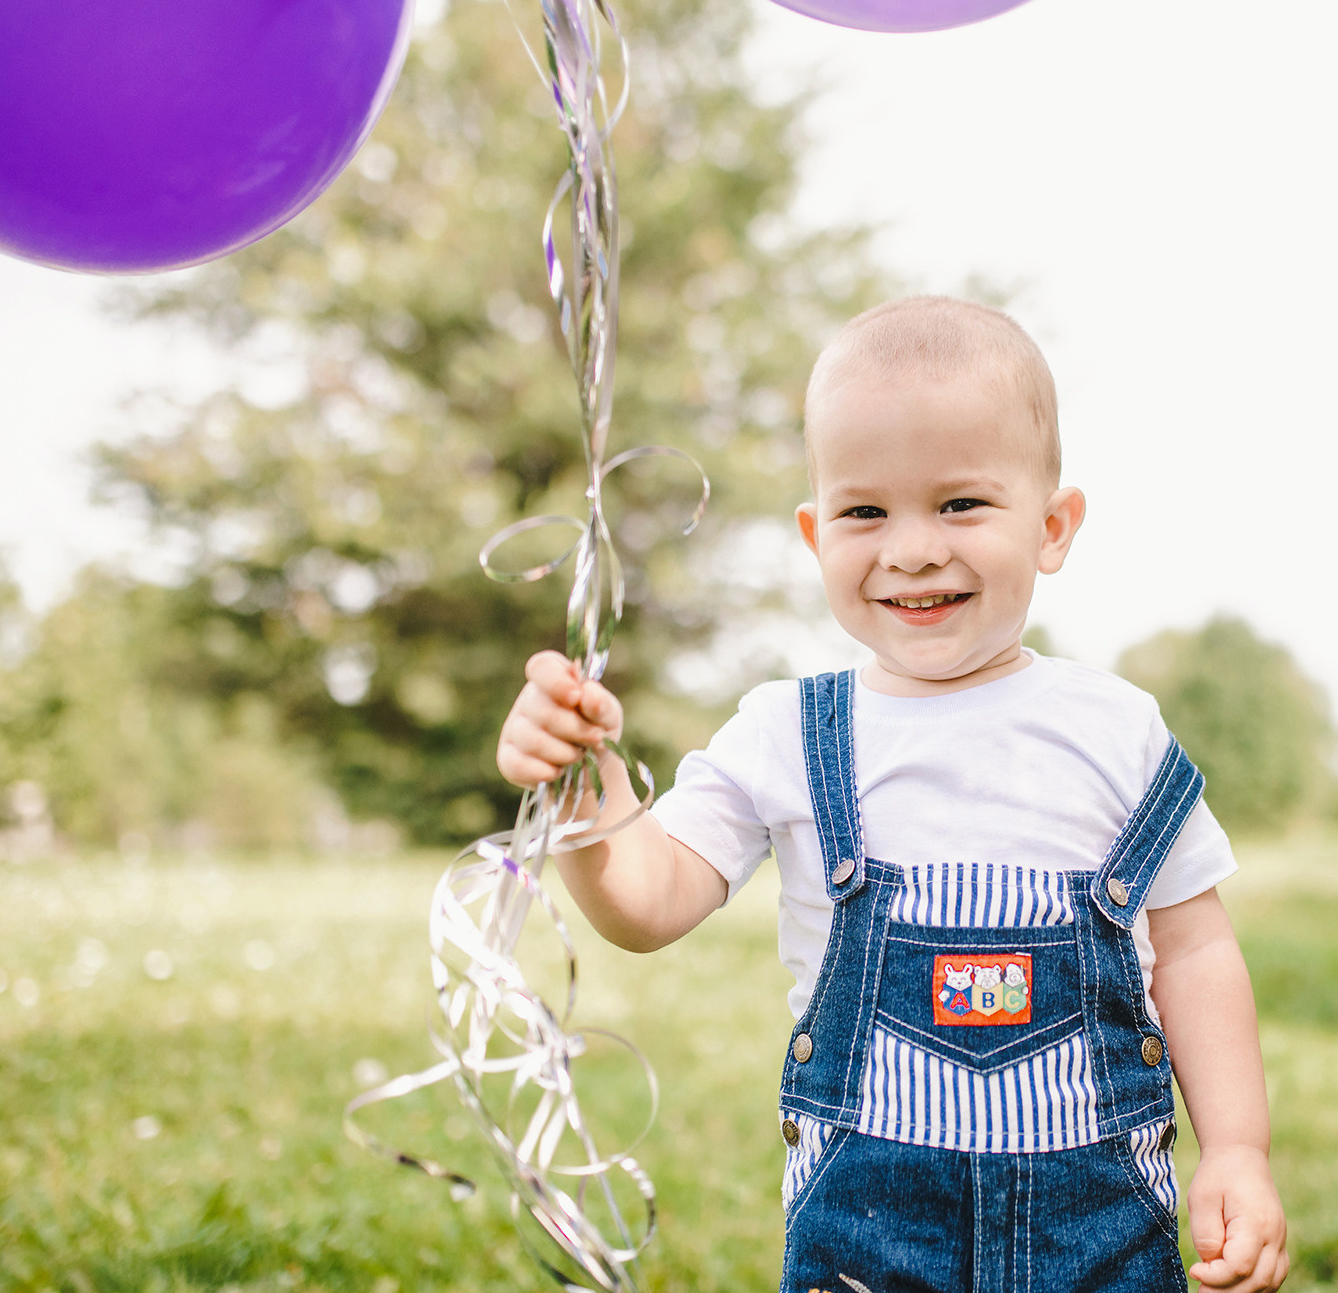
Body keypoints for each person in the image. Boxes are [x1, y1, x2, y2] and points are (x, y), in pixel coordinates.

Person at [496, 296, 1289, 1292]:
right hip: (869, 1229)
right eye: (864, 511)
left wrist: (1237, 1148)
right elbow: (646, 904)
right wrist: (585, 792)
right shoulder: (785, 732)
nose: (911, 548)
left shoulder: (1113, 728)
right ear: (812, 532)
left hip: (1096, 1224)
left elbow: (1194, 947)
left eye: (959, 503)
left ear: (1051, 527)